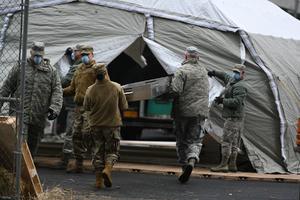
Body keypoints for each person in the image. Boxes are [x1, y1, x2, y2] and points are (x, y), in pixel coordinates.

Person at [0, 41, 63, 157]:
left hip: (38, 114)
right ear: (31, 53)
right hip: (19, 112)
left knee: (33, 145)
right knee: (19, 143)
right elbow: (7, 86)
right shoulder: (20, 67)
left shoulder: (50, 71)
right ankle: (17, 170)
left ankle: (28, 169)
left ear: (43, 55)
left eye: (40, 56)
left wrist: (54, 108)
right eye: (35, 56)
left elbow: (57, 91)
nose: (37, 58)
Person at [83, 64, 128, 189]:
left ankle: (98, 181)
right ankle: (107, 170)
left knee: (97, 151)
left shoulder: (90, 90)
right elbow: (124, 106)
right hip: (112, 125)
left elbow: (86, 107)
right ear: (106, 72)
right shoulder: (116, 87)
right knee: (112, 151)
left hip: (95, 125)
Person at [168, 46, 209, 183]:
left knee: (181, 140)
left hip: (183, 112)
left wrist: (167, 91)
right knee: (195, 140)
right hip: (200, 112)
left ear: (185, 57)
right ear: (198, 57)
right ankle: (192, 159)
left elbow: (176, 91)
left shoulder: (182, 71)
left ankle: (184, 166)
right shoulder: (204, 71)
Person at [63, 45, 97, 173]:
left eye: (87, 55)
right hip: (79, 107)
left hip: (91, 108)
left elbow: (105, 86)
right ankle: (79, 164)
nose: (84, 57)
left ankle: (97, 164)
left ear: (92, 55)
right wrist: (58, 92)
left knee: (89, 134)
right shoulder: (78, 70)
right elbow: (72, 88)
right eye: (82, 55)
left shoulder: (98, 69)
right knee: (76, 135)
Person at [208, 64, 247, 172]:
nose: (235, 74)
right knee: (234, 143)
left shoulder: (240, 86)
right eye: (234, 72)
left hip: (233, 118)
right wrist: (214, 73)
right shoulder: (233, 81)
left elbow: (237, 102)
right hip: (236, 117)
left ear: (243, 74)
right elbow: (225, 76)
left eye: (237, 73)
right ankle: (232, 165)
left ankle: (223, 165)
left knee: (226, 141)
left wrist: (222, 101)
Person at [58, 44, 84, 169]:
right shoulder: (79, 65)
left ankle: (66, 161)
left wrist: (56, 87)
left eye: (75, 51)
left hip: (75, 105)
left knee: (71, 133)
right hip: (77, 104)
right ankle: (76, 161)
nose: (73, 53)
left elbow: (66, 81)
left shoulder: (77, 66)